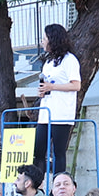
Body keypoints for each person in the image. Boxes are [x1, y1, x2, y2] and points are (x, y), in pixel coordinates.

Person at [35, 24, 81, 178]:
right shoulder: (48, 62)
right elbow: (47, 84)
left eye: (45, 38)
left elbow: (76, 85)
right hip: (46, 112)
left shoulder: (69, 60)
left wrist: (52, 87)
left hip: (61, 112)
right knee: (38, 149)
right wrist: (43, 90)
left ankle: (57, 183)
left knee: (58, 152)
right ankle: (38, 184)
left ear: (53, 40)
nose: (42, 41)